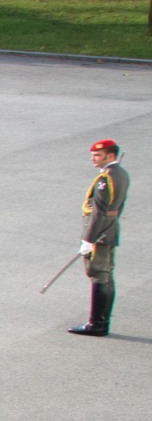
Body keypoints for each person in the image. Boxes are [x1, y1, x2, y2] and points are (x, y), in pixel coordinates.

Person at [73, 138, 127, 337]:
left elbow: (99, 211)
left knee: (98, 273)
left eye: (97, 155)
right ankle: (102, 320)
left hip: (100, 232)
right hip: (110, 228)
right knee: (106, 275)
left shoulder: (106, 178)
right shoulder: (121, 173)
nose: (93, 159)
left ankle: (96, 323)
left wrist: (89, 239)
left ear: (110, 156)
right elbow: (118, 206)